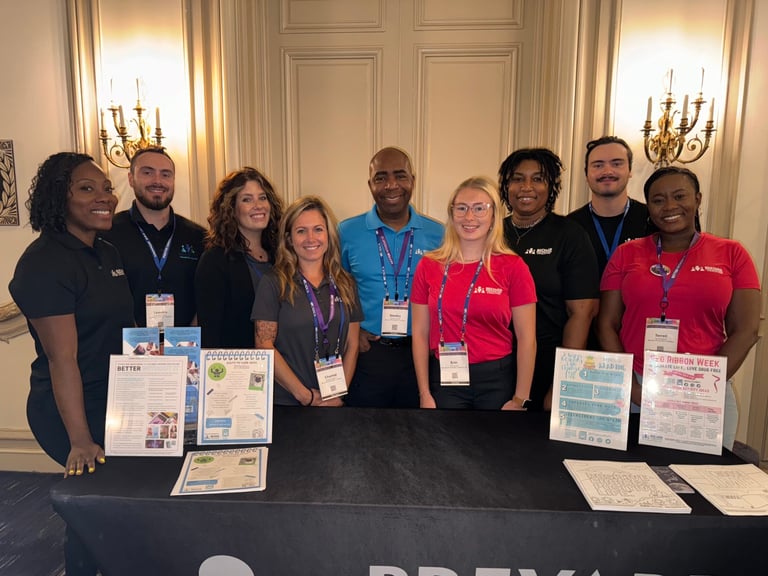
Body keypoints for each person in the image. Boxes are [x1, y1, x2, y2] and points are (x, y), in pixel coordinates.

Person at [9, 152, 134, 576]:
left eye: (106, 188)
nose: (104, 198)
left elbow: (124, 331)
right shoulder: (44, 264)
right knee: (91, 513)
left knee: (118, 506)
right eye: (87, 188)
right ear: (58, 199)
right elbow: (62, 360)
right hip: (68, 409)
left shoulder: (108, 251)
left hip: (113, 400)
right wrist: (80, 441)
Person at [597, 166, 761, 449]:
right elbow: (606, 324)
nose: (669, 206)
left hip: (707, 389)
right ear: (648, 207)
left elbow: (746, 330)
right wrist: (631, 387)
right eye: (658, 200)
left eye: (680, 196)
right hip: (639, 387)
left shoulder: (732, 253)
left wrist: (705, 385)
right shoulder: (626, 254)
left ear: (697, 199)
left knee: (707, 482)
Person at [411, 176, 537, 410]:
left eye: (479, 208)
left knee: (492, 446)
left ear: (493, 216)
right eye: (462, 208)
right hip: (445, 379)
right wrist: (424, 393)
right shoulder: (429, 265)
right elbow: (419, 333)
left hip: (496, 380)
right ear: (451, 214)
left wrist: (520, 398)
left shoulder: (513, 267)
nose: (470, 217)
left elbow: (527, 338)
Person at [339, 146, 443, 407]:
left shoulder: (439, 234)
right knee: (365, 435)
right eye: (381, 177)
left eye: (400, 175)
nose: (391, 185)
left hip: (421, 357)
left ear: (413, 181)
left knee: (417, 437)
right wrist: (350, 331)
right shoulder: (347, 232)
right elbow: (334, 289)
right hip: (369, 354)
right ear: (370, 184)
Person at [499, 148, 599, 410]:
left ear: (551, 186)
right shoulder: (492, 233)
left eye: (538, 179)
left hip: (548, 361)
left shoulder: (569, 236)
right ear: (506, 186)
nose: (526, 187)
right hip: (494, 362)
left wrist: (563, 381)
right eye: (517, 179)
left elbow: (582, 313)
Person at [253, 196, 362, 406]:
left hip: (333, 402)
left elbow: (353, 343)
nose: (311, 238)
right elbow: (263, 344)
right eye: (301, 231)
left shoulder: (346, 283)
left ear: (329, 235)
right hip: (288, 402)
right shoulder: (273, 283)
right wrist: (304, 395)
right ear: (289, 238)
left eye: (318, 229)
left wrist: (338, 394)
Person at [101, 146, 205, 327]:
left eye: (165, 174)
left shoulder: (199, 237)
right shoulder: (107, 235)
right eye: (147, 172)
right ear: (131, 179)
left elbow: (208, 297)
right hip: (123, 350)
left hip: (185, 348)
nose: (158, 181)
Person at [195, 167, 284, 348]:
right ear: (231, 209)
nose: (258, 205)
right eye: (247, 199)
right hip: (238, 368)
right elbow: (210, 332)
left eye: (262, 197)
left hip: (286, 364)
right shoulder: (215, 260)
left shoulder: (282, 255)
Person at [568, 136, 650, 277]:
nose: (607, 171)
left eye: (616, 164)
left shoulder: (652, 220)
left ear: (630, 170)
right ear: (586, 174)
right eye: (598, 165)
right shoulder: (570, 226)